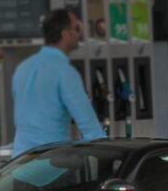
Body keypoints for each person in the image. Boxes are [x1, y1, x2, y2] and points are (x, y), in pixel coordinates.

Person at [11, 9, 106, 155]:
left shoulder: (23, 68)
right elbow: (91, 129)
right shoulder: (65, 72)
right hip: (50, 164)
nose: (79, 33)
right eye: (76, 28)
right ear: (65, 34)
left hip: (19, 163)